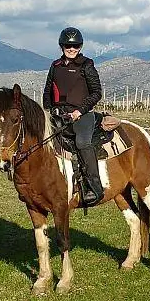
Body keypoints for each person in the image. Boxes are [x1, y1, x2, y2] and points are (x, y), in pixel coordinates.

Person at [43, 26, 105, 206]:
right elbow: (47, 91)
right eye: (68, 46)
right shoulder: (55, 66)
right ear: (61, 46)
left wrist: (79, 111)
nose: (72, 49)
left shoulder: (87, 65)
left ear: (80, 46)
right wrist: (49, 110)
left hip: (82, 115)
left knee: (82, 142)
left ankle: (94, 186)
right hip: (58, 116)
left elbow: (96, 92)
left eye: (76, 46)